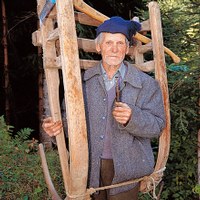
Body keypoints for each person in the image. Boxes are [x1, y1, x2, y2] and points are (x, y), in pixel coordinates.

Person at [42, 16, 166, 200]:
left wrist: (134, 117)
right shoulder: (81, 82)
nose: (114, 49)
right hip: (89, 166)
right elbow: (70, 121)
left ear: (127, 47)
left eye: (119, 43)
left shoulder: (146, 84)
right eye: (108, 42)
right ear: (99, 47)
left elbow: (158, 125)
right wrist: (58, 126)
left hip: (128, 169)